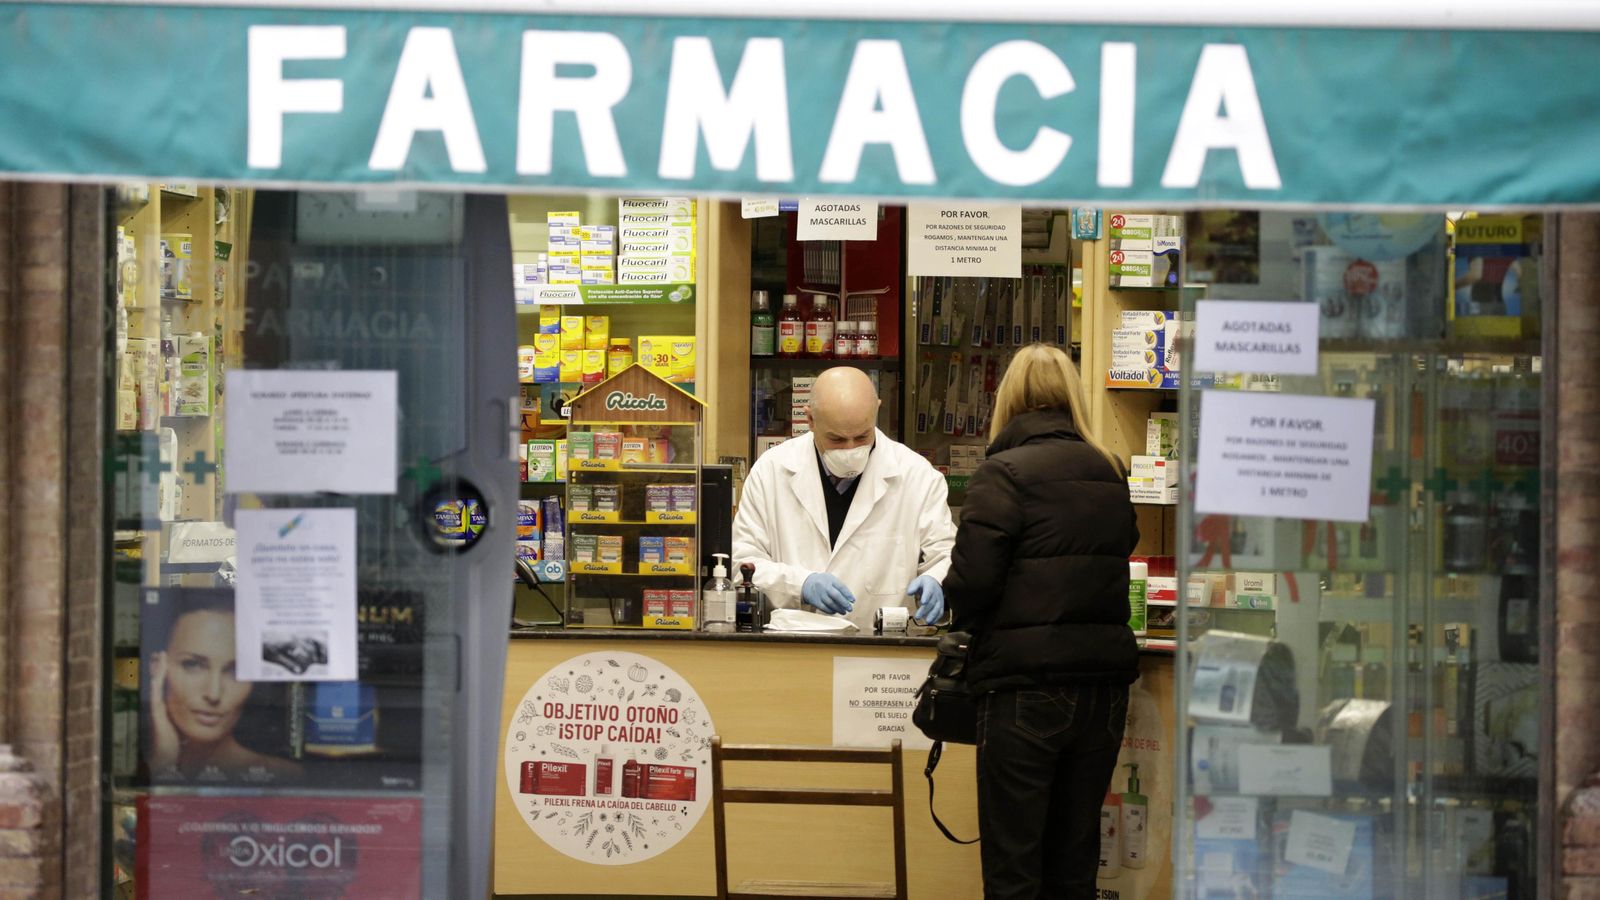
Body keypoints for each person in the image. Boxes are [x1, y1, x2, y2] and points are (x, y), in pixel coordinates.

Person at [942, 344, 1140, 899]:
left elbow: (973, 582)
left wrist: (948, 602)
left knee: (1015, 865)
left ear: (1007, 399)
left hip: (1024, 690)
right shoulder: (1110, 469)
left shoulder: (1001, 473)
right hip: (1103, 692)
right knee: (1075, 861)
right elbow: (1122, 546)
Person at [733, 366, 955, 632]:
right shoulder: (771, 471)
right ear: (811, 420)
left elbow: (946, 554)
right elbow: (742, 565)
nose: (851, 449)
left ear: (877, 411)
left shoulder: (917, 476)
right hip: (793, 647)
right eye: (837, 439)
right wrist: (801, 584)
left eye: (862, 436)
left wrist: (937, 579)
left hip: (883, 654)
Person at [147, 591, 299, 781]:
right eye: (192, 664)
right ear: (157, 667)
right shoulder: (124, 761)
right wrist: (163, 763)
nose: (214, 693)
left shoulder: (285, 776)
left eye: (235, 671)